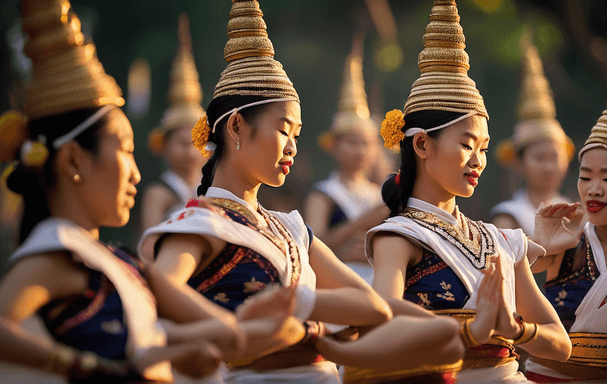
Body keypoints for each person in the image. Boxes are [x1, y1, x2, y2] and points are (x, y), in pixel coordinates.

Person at [0, 2, 301, 382]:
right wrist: (77, 366)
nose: (136, 174)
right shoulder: (58, 254)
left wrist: (197, 344)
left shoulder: (121, 263)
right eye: (125, 150)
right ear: (74, 160)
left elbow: (219, 334)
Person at [138, 1, 398, 382]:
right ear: (238, 127)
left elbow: (373, 305)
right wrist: (237, 328)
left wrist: (297, 306)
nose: (292, 147)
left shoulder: (289, 227)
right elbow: (155, 296)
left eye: (296, 135)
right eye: (282, 130)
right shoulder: (198, 224)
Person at [359, 1, 571, 382]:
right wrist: (473, 327)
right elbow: (384, 309)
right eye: (467, 144)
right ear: (422, 145)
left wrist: (514, 330)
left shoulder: (500, 239)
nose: (478, 160)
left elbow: (560, 342)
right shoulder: (399, 235)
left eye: (484, 148)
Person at [525, 30, 607, 383]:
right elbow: (512, 282)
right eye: (585, 176)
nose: (593, 189)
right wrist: (542, 241)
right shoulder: (567, 241)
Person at [305, 33, 389, 285]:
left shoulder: (380, 195)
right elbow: (312, 245)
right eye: (352, 143)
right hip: (336, 283)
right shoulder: (323, 195)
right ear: (333, 145)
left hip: (376, 281)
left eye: (367, 144)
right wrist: (361, 224)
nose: (360, 151)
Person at [491, 32, 574, 238]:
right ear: (518, 162)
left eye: (555, 157)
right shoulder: (508, 218)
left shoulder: (579, 215)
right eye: (539, 157)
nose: (549, 167)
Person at [141, 14, 208, 232]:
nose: (190, 151)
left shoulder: (212, 188)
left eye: (196, 143)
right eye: (182, 143)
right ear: (164, 145)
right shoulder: (158, 193)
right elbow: (148, 238)